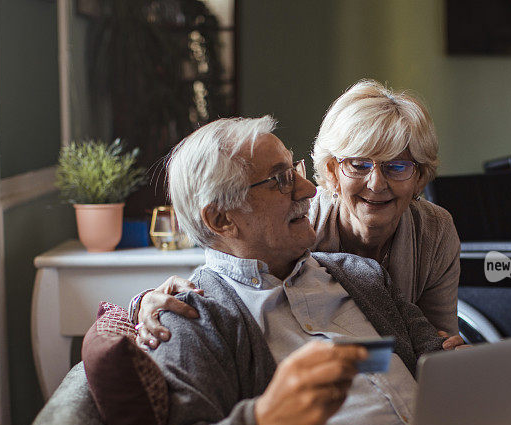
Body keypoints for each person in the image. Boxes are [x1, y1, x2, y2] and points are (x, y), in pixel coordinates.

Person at [144, 116, 511, 425]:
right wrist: (266, 422)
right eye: (281, 181)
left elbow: (441, 364)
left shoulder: (360, 276)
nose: (305, 191)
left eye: (296, 171)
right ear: (221, 218)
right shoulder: (194, 316)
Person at [131, 79, 460, 346]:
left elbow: (434, 342)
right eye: (359, 164)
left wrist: (445, 353)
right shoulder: (300, 224)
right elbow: (234, 276)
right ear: (331, 170)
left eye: (397, 166)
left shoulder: (434, 230)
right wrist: (146, 301)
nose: (376, 184)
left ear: (419, 175)